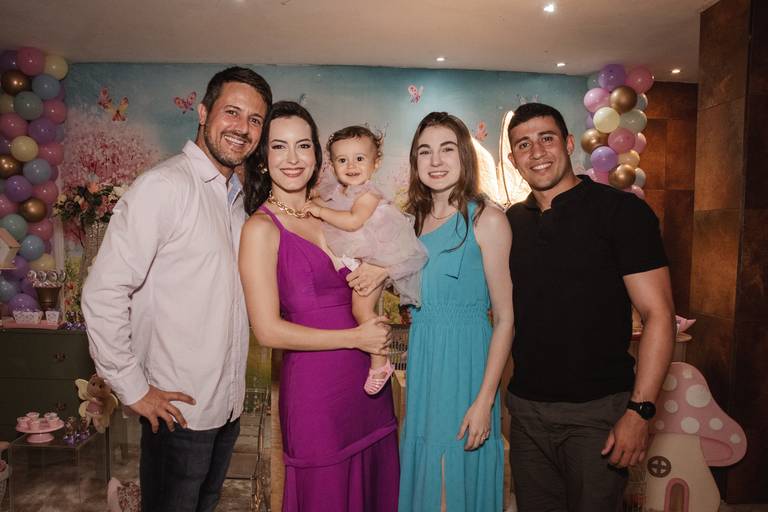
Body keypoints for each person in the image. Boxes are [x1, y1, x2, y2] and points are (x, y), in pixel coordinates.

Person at [81, 66, 272, 512]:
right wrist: (133, 388)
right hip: (177, 413)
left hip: (225, 409)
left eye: (255, 120)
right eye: (232, 112)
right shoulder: (164, 186)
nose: (242, 128)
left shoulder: (235, 201)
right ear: (203, 113)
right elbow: (103, 292)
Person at [504, 102, 675, 512]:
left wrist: (640, 412)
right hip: (527, 414)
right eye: (524, 144)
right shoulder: (512, 223)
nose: (537, 152)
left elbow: (659, 315)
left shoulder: (621, 211)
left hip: (598, 414)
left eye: (546, 138)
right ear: (512, 160)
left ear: (567, 143)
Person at [239, 101, 400, 511]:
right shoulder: (260, 229)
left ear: (316, 155)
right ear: (263, 159)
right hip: (316, 394)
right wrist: (355, 337)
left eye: (303, 145)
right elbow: (267, 330)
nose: (293, 158)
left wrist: (381, 270)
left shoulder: (337, 209)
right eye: (279, 147)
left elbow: (390, 249)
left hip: (369, 387)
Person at [398, 112, 514, 511]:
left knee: (454, 477)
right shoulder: (411, 223)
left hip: (466, 367)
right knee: (425, 472)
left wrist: (485, 401)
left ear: (464, 155)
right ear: (414, 161)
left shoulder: (487, 219)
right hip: (424, 363)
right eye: (424, 151)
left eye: (446, 149)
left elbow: (506, 319)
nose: (435, 161)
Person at [306, 125, 428, 395]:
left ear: (376, 162)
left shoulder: (369, 194)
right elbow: (328, 202)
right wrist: (315, 201)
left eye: (359, 158)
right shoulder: (339, 191)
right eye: (342, 160)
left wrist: (319, 210)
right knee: (356, 307)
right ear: (332, 165)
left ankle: (380, 363)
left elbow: (353, 221)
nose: (351, 166)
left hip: (379, 256)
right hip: (363, 257)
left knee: (361, 310)